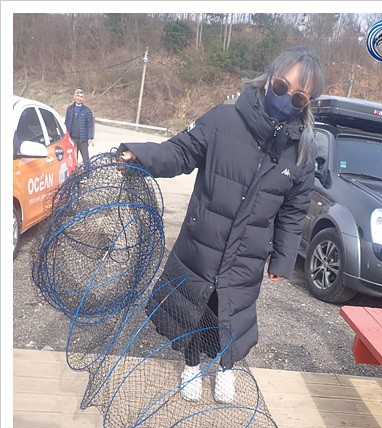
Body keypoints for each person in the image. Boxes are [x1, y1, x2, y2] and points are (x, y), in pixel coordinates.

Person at [118, 46, 324, 403]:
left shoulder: (302, 154)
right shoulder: (223, 120)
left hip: (246, 257)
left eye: (298, 97)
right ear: (267, 81)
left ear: (306, 105)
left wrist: (282, 259)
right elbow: (179, 152)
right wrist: (142, 155)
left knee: (228, 314)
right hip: (201, 245)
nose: (285, 99)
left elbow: (294, 211)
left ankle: (225, 368)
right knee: (194, 309)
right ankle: (191, 364)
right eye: (281, 87)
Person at [65, 88, 95, 163]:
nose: (79, 98)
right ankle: (76, 170)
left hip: (83, 140)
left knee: (86, 160)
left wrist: (90, 138)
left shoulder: (87, 111)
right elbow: (67, 123)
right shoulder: (70, 109)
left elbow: (90, 125)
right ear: (74, 96)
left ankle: (87, 170)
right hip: (72, 139)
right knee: (73, 159)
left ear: (84, 99)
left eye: (81, 97)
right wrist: (66, 136)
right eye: (78, 96)